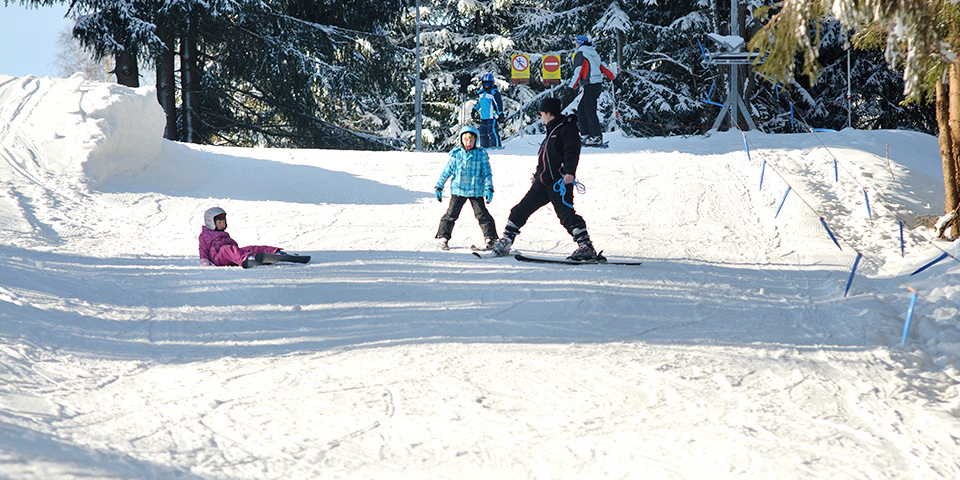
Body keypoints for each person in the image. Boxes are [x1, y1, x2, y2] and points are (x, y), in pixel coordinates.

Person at [491, 97, 599, 261]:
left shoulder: (566, 129)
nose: (541, 116)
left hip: (559, 182)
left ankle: (586, 247)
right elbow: (546, 157)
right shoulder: (552, 130)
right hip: (542, 183)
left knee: (566, 216)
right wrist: (537, 175)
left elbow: (572, 151)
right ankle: (506, 241)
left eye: (542, 113)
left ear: (549, 113)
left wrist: (570, 172)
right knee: (519, 211)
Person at [435, 125, 497, 250]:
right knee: (451, 214)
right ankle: (443, 237)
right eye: (465, 140)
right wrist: (439, 186)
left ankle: (490, 238)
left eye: (471, 140)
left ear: (476, 141)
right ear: (461, 140)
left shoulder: (481, 155)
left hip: (476, 191)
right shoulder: (456, 155)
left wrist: (489, 188)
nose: (468, 143)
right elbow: (446, 172)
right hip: (459, 190)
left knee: (482, 215)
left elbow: (486, 174)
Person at [568, 35, 619, 147]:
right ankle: (585, 135)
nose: (575, 45)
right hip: (595, 85)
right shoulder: (592, 52)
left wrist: (571, 87)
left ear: (580, 43)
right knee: (581, 109)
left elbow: (578, 71)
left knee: (589, 111)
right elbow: (603, 66)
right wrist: (614, 78)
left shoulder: (580, 53)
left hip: (591, 85)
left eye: (576, 43)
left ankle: (596, 137)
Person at [198, 207, 285, 266]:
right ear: (211, 223)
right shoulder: (206, 235)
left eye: (223, 222)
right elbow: (203, 249)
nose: (222, 224)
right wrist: (204, 260)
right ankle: (246, 259)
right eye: (219, 222)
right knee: (227, 249)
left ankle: (273, 252)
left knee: (250, 248)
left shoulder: (223, 233)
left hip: (232, 254)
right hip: (218, 257)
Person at [471, 73, 504, 149]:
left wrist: (500, 113)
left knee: (491, 130)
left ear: (491, 83)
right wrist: (474, 110)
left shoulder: (494, 93)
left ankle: (496, 145)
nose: (486, 85)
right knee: (482, 131)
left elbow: (498, 103)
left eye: (488, 83)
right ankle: (484, 146)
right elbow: (480, 103)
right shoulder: (481, 93)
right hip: (484, 116)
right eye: (485, 83)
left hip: (492, 115)